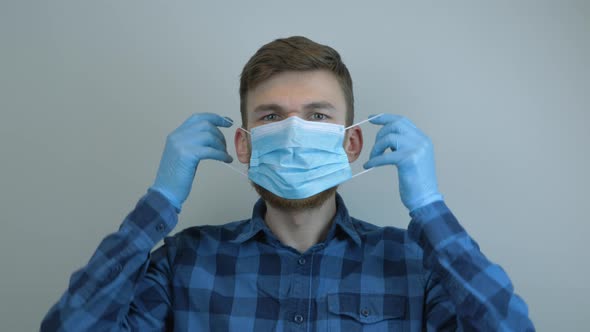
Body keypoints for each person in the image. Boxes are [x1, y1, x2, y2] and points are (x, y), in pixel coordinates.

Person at [41, 36, 534, 331]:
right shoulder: (182, 264)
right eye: (271, 116)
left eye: (318, 116)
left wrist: (429, 208)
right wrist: (161, 201)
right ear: (243, 145)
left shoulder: (414, 266)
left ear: (352, 144)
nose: (295, 136)